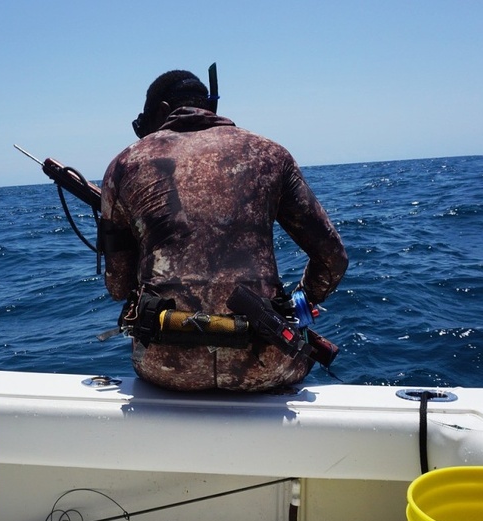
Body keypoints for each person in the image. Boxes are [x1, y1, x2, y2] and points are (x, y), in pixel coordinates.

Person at [100, 69, 347, 392]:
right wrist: (297, 305)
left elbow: (119, 286)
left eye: (142, 125)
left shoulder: (124, 165)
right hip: (264, 367)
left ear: (161, 111)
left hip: (169, 368)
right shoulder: (271, 155)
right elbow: (332, 258)